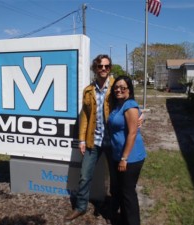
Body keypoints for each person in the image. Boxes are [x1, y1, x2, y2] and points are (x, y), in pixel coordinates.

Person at [64, 54, 118, 223]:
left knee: (116, 179)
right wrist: (81, 140)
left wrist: (139, 116)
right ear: (95, 68)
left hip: (113, 141)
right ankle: (80, 207)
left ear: (110, 68)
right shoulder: (88, 90)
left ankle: (113, 211)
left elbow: (128, 104)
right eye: (100, 66)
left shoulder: (117, 86)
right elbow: (85, 117)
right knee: (84, 176)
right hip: (92, 140)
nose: (104, 69)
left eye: (107, 66)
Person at [108, 75, 147, 225]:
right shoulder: (118, 104)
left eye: (122, 87)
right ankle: (125, 220)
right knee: (123, 192)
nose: (118, 90)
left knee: (128, 194)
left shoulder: (129, 105)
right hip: (119, 154)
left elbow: (132, 133)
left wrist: (124, 158)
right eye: (116, 87)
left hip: (130, 157)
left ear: (129, 90)